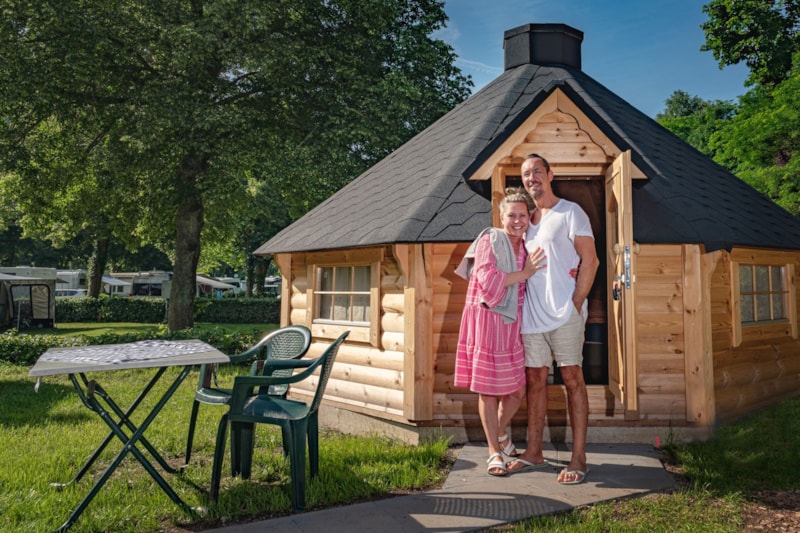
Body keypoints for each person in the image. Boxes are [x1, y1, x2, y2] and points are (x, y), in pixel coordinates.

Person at [507, 154, 599, 485]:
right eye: (525, 174)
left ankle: (578, 458)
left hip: (564, 314)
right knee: (535, 382)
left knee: (573, 379)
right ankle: (534, 452)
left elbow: (591, 260)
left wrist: (576, 303)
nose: (531, 178)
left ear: (550, 174)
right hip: (532, 317)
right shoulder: (525, 221)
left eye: (537, 171)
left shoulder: (570, 212)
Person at [454, 188, 546, 477]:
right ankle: (494, 451)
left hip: (512, 322)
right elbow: (487, 279)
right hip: (487, 318)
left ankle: (500, 431)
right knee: (489, 390)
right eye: (511, 216)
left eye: (522, 215)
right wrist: (525, 273)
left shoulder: (528, 245)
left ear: (529, 217)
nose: (517, 221)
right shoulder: (490, 239)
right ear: (501, 217)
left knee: (517, 390)